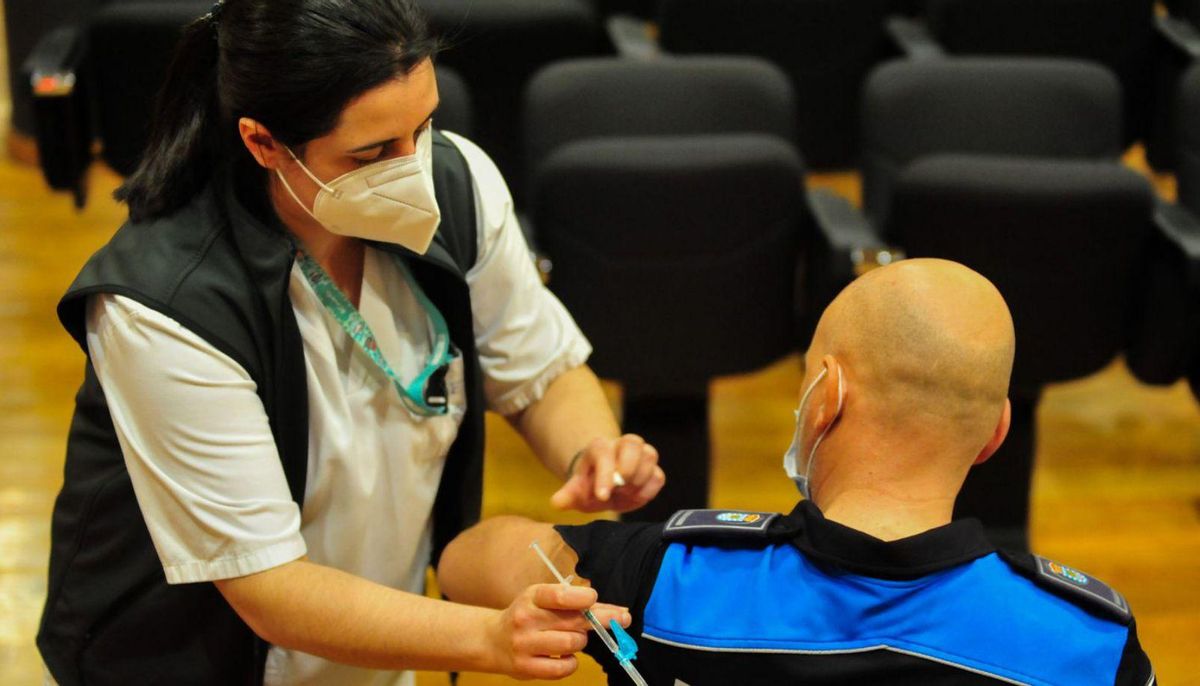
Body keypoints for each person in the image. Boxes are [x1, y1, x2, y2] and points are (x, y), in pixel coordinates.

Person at [37, 1, 665, 684]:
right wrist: (487, 637)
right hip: (189, 659)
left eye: (423, 129)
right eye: (371, 154)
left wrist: (593, 449)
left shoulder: (457, 188)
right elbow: (270, 588)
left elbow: (539, 370)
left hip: (370, 644)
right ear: (263, 143)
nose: (412, 170)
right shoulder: (163, 306)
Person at [437, 259, 1157, 685]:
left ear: (825, 399)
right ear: (995, 433)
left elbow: (464, 565)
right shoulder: (1090, 643)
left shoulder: (673, 579)